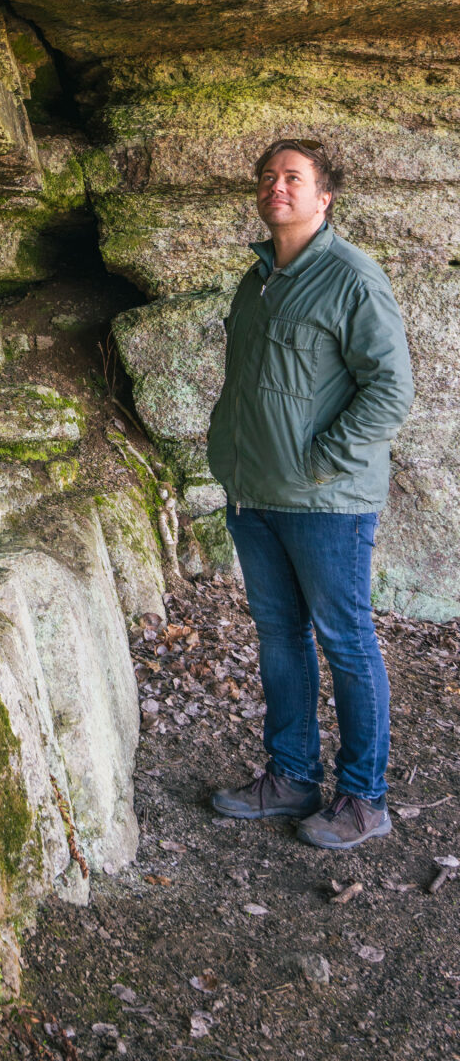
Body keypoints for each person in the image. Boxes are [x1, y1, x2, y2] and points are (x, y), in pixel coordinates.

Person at [207, 138, 413, 851]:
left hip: (326, 500)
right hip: (254, 494)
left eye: (293, 178)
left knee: (347, 643)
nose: (276, 188)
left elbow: (391, 389)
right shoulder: (256, 278)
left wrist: (322, 460)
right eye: (267, 177)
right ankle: (291, 775)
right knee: (279, 640)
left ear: (325, 196)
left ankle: (365, 798)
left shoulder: (353, 278)